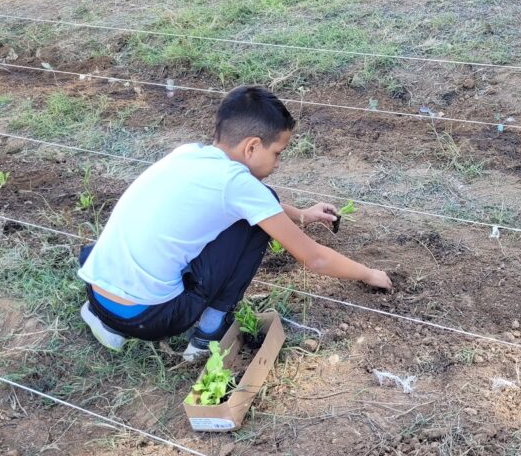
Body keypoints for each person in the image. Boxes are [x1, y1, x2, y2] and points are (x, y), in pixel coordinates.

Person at [77, 85, 392, 360]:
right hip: (151, 317)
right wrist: (369, 274)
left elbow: (252, 201)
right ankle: (209, 332)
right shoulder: (237, 183)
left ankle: (105, 322)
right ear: (251, 147)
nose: (278, 163)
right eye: (278, 152)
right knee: (252, 223)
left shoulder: (187, 154)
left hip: (98, 294)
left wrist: (301, 215)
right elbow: (314, 258)